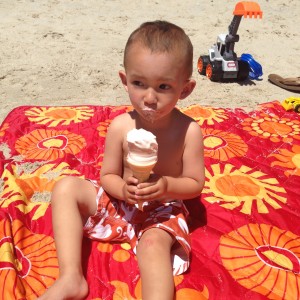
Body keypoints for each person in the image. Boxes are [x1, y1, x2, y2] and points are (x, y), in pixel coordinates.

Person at [39, 20, 205, 300]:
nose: (149, 98)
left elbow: (195, 184)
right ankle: (71, 278)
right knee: (66, 187)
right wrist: (122, 190)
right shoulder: (120, 126)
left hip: (162, 208)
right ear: (125, 80)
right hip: (120, 202)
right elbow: (108, 177)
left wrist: (165, 185)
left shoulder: (189, 131)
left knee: (153, 243)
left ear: (185, 90)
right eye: (139, 84)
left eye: (163, 86)